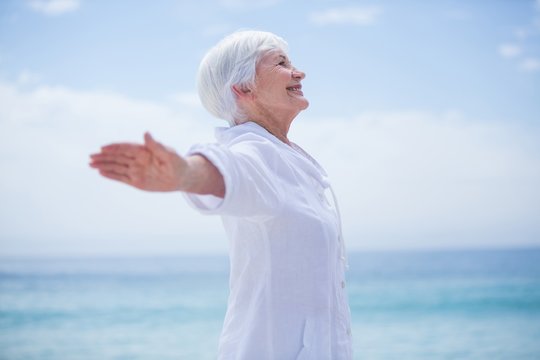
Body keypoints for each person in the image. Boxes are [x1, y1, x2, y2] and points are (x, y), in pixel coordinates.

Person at [89, 30, 353, 360]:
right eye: (281, 63)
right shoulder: (256, 153)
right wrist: (184, 174)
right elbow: (231, 171)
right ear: (243, 89)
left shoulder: (285, 155)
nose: (299, 72)